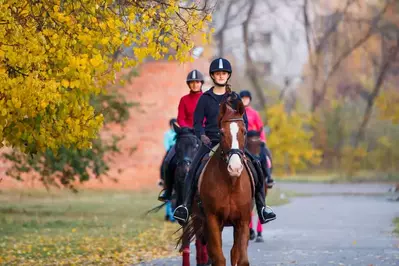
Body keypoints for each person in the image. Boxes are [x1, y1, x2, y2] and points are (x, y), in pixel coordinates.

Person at [173, 57, 277, 225]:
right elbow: (197, 123)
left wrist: (240, 139)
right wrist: (202, 136)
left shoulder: (234, 98)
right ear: (213, 76)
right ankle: (185, 207)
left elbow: (244, 121)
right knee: (193, 168)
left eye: (223, 73)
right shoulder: (205, 98)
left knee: (256, 164)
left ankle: (262, 207)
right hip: (211, 140)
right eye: (217, 73)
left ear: (227, 75)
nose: (220, 76)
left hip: (233, 141)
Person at [158, 69, 205, 202]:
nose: (195, 85)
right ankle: (168, 190)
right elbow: (181, 118)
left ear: (201, 83)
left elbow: (209, 117)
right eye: (192, 83)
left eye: (197, 82)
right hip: (185, 135)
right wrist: (185, 129)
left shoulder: (207, 98)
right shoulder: (184, 100)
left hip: (202, 135)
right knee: (168, 160)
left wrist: (200, 128)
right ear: (188, 84)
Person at [239, 90, 275, 187]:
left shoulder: (254, 113)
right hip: (241, 138)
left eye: (246, 98)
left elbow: (260, 128)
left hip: (253, 139)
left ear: (249, 100)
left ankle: (268, 177)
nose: (245, 100)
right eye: (243, 99)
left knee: (264, 154)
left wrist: (262, 140)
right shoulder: (237, 113)